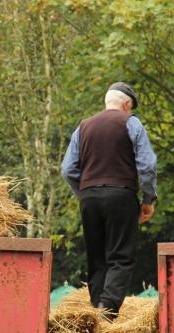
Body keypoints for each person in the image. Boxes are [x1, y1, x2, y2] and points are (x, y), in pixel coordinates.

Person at [61, 82, 157, 319]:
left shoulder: (82, 127)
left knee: (97, 256)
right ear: (126, 104)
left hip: (89, 198)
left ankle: (96, 312)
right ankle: (107, 310)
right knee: (121, 256)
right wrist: (148, 199)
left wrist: (84, 191)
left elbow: (67, 169)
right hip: (121, 196)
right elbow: (147, 166)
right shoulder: (131, 123)